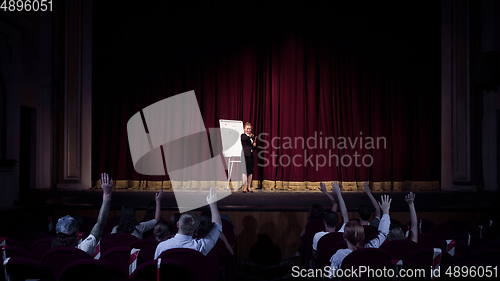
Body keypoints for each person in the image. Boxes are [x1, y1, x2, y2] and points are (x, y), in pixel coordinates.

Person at [329, 195, 392, 279]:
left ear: (344, 237)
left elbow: (331, 276)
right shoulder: (371, 248)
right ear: (362, 236)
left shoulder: (339, 255)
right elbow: (383, 233)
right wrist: (386, 211)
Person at [52, 173, 113, 256]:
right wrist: (107, 195)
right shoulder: (83, 249)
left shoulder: (53, 253)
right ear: (76, 233)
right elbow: (100, 224)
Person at [154, 187, 222, 259]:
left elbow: (157, 267)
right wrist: (213, 205)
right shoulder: (200, 247)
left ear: (177, 224)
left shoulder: (162, 247)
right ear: (196, 230)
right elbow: (217, 227)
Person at [312, 182, 349, 251]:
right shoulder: (342, 234)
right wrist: (339, 194)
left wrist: (325, 192)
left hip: (323, 261)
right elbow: (345, 215)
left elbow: (315, 253)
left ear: (324, 222)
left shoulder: (318, 236)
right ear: (337, 223)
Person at [241, 122, 256, 193]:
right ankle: (244, 188)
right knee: (244, 172)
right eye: (247, 128)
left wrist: (254, 145)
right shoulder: (243, 136)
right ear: (244, 129)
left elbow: (253, 146)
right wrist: (250, 137)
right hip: (245, 156)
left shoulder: (252, 136)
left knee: (250, 172)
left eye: (249, 129)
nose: (248, 130)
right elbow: (245, 139)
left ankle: (249, 187)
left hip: (251, 156)